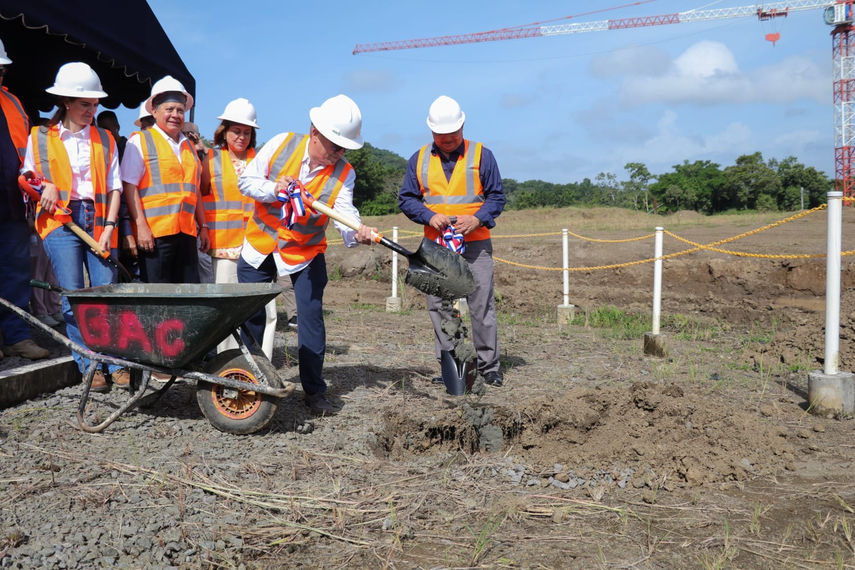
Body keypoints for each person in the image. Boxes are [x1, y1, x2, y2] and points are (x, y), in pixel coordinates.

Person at [237, 94, 376, 414]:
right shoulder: (281, 144)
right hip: (260, 245)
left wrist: (357, 231)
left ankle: (314, 391)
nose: (339, 154)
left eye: (344, 148)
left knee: (311, 322)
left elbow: (345, 213)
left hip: (305, 253)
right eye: (334, 146)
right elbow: (247, 182)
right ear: (314, 132)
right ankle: (248, 382)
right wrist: (275, 189)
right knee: (250, 317)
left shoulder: (344, 173)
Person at [23, 62, 128, 390]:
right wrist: (46, 186)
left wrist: (110, 227)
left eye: (95, 104)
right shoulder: (39, 137)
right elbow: (27, 176)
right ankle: (88, 365)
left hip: (98, 221)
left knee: (105, 294)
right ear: (66, 101)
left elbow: (115, 187)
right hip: (58, 222)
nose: (92, 110)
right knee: (72, 294)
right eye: (86, 104)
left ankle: (114, 363)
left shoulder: (106, 138)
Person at [398, 96, 506, 387]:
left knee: (481, 304)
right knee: (440, 306)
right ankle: (451, 364)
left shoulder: (483, 155)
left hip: (476, 243)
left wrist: (478, 219)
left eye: (453, 134)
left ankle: (488, 367)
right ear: (432, 131)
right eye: (441, 135)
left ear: (462, 126)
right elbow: (407, 199)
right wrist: (428, 216)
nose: (448, 139)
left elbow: (497, 196)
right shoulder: (418, 159)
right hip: (436, 246)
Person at [199, 98, 275, 355]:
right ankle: (228, 361)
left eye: (247, 132)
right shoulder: (210, 160)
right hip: (224, 245)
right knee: (228, 305)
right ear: (224, 131)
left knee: (260, 305)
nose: (241, 136)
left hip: (258, 243)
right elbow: (201, 197)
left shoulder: (263, 160)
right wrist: (204, 231)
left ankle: (259, 359)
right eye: (236, 131)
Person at [121, 76, 209, 284]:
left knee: (188, 296)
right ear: (154, 111)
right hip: (155, 235)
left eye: (180, 110)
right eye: (169, 109)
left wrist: (202, 226)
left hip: (186, 233)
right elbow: (129, 186)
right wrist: (141, 226)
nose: (175, 115)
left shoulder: (188, 146)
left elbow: (194, 190)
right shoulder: (140, 141)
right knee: (159, 297)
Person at [0, 38, 50, 361]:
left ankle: (16, 336)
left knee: (16, 271)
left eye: (1, 69)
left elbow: (28, 158)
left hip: (12, 203)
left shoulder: (15, 105)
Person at [182, 121, 214, 284]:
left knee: (206, 266)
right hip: (188, 222)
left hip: (209, 223)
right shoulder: (180, 155)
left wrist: (203, 149)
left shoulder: (207, 155)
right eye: (185, 134)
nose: (189, 138)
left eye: (192, 134)